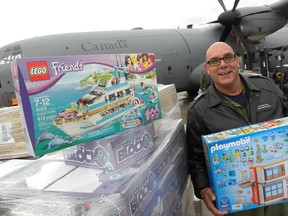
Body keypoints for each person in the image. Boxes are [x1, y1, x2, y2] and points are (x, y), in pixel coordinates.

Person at [186, 42, 288, 216]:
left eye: (228, 57)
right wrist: (202, 187)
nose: (223, 64)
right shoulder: (200, 111)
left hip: (281, 193)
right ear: (207, 68)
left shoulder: (268, 89)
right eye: (215, 61)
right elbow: (195, 157)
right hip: (239, 201)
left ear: (237, 61)